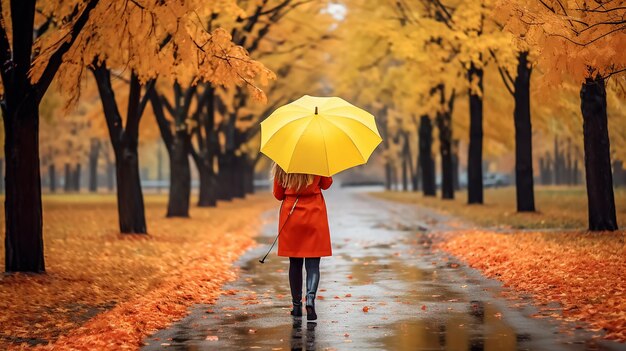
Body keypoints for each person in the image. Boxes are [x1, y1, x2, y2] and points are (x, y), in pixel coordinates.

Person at [271, 162, 333, 321]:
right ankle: (310, 299)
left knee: (295, 262)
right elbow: (327, 184)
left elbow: (278, 195)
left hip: (292, 215)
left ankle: (296, 306)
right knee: (313, 263)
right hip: (314, 213)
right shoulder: (317, 159)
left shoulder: (283, 162)